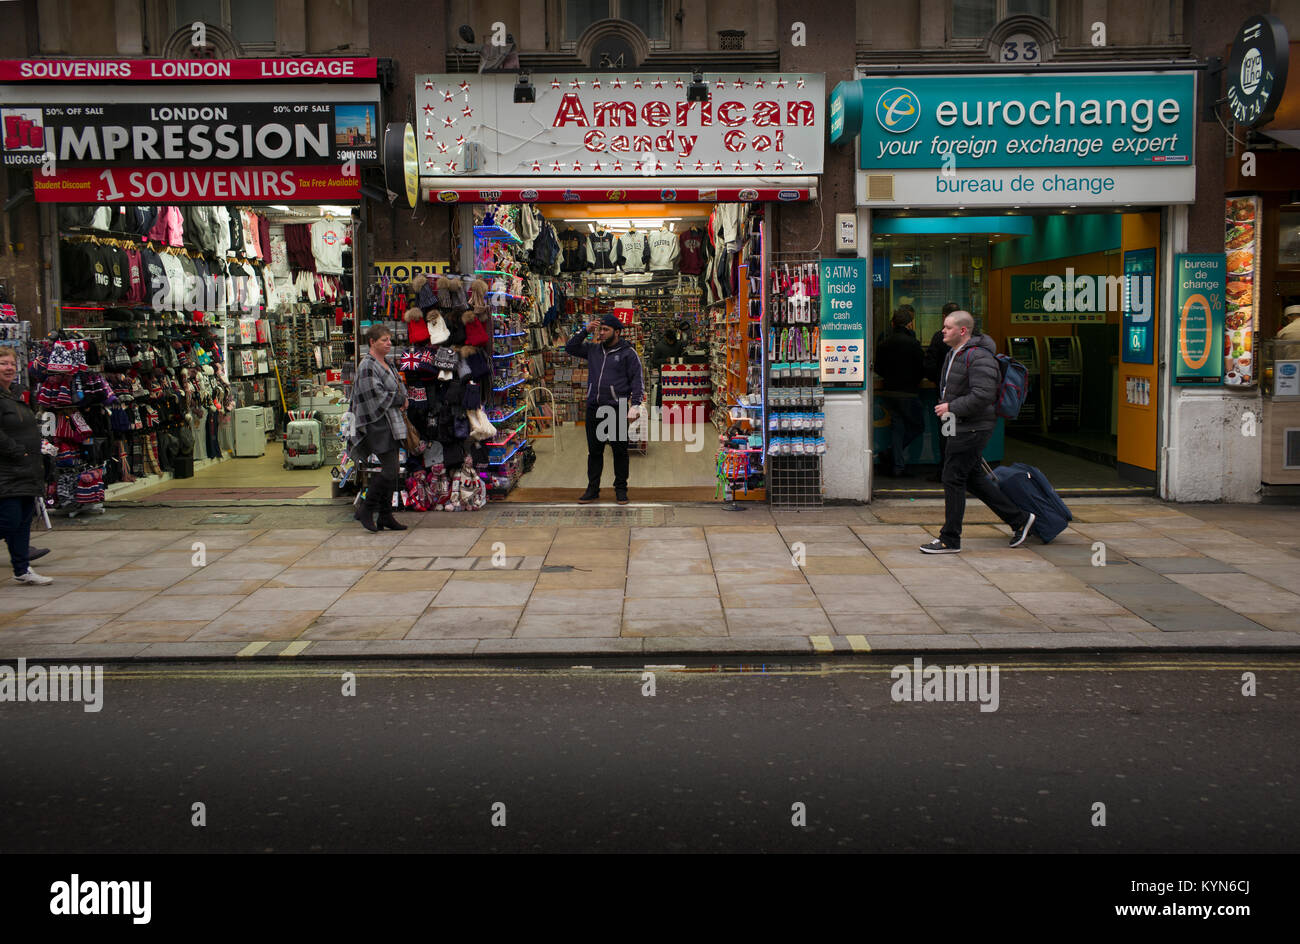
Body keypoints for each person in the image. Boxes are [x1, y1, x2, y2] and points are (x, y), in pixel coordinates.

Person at [921, 310, 1035, 554]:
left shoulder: (980, 357)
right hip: (961, 423)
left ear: (963, 331)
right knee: (972, 478)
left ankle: (950, 539)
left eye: (948, 327)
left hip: (973, 426)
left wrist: (952, 406)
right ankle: (1020, 519)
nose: (943, 330)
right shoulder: (956, 353)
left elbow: (984, 395)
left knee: (952, 477)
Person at [565, 313, 644, 504]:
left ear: (617, 332)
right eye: (600, 329)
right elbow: (570, 347)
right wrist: (585, 330)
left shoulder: (628, 353)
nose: (601, 332)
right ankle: (593, 489)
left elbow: (637, 379)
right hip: (594, 407)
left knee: (619, 451)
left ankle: (621, 489)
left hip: (616, 408)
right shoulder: (593, 350)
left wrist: (635, 404)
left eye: (605, 329)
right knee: (595, 451)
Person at [349, 324, 409, 532]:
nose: (389, 343)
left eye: (389, 340)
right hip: (377, 423)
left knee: (391, 469)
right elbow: (374, 395)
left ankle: (385, 515)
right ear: (372, 342)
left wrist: (403, 398)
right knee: (391, 469)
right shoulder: (367, 365)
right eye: (384, 340)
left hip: (390, 421)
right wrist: (399, 399)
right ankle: (366, 509)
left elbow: (397, 387)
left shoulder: (388, 363)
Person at [0, 346, 52, 584]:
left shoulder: (17, 394)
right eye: (3, 363)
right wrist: (16, 451)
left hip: (27, 468)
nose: (9, 368)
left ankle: (22, 569)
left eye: (12, 363)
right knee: (9, 520)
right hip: (6, 470)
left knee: (22, 520)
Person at [873, 308, 925, 477]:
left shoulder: (883, 344)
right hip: (908, 392)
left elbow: (879, 368)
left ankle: (897, 466)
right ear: (909, 324)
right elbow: (921, 368)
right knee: (918, 426)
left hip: (889, 391)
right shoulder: (913, 343)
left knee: (898, 428)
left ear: (893, 323)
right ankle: (891, 454)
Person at [922, 302, 962, 481]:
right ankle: (963, 472)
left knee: (947, 435)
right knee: (964, 434)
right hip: (967, 398)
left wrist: (937, 381)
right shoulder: (971, 337)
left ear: (945, 316)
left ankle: (947, 472)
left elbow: (929, 365)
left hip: (947, 397)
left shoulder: (940, 337)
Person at [651, 327, 687, 409]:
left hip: (678, 374)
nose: (671, 342)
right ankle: (660, 409)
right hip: (664, 375)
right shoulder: (659, 346)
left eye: (673, 340)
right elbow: (654, 361)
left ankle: (677, 407)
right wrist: (665, 360)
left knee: (678, 392)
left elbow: (683, 356)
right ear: (665, 338)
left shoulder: (678, 344)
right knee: (663, 391)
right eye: (670, 340)